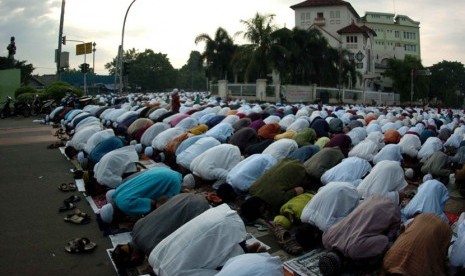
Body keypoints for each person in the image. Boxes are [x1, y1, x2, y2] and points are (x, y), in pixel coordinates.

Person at [148, 203, 265, 276]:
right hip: (221, 216)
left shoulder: (171, 271)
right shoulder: (154, 256)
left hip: (225, 225)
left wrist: (243, 259)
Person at [111, 193, 210, 272]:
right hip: (183, 196)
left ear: (134, 258)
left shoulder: (151, 248)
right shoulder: (136, 227)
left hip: (198, 208)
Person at [319, 196, 401, 275]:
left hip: (391, 210)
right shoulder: (326, 238)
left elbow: (383, 241)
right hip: (371, 200)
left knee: (389, 243)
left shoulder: (354, 250)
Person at [98, 166, 182, 225]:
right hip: (162, 170)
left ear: (115, 216)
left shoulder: (125, 206)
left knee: (168, 207)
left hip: (172, 180)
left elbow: (152, 203)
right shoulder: (116, 194)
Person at [382, 213, 452, 276]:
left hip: (390, 261)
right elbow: (441, 256)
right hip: (417, 270)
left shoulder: (417, 220)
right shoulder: (445, 230)